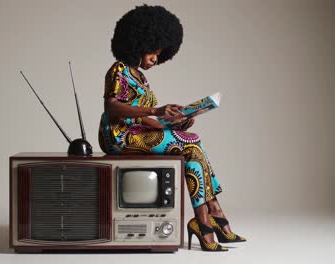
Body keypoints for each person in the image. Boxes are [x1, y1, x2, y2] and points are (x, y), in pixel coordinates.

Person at [98, 5, 246, 252]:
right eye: (152, 53)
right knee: (190, 143)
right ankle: (209, 219)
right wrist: (155, 111)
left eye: (159, 54)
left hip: (138, 133)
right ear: (138, 43)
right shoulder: (119, 69)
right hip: (118, 136)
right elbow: (112, 107)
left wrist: (180, 121)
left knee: (192, 142)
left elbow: (150, 123)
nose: (156, 59)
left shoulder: (142, 79)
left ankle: (208, 218)